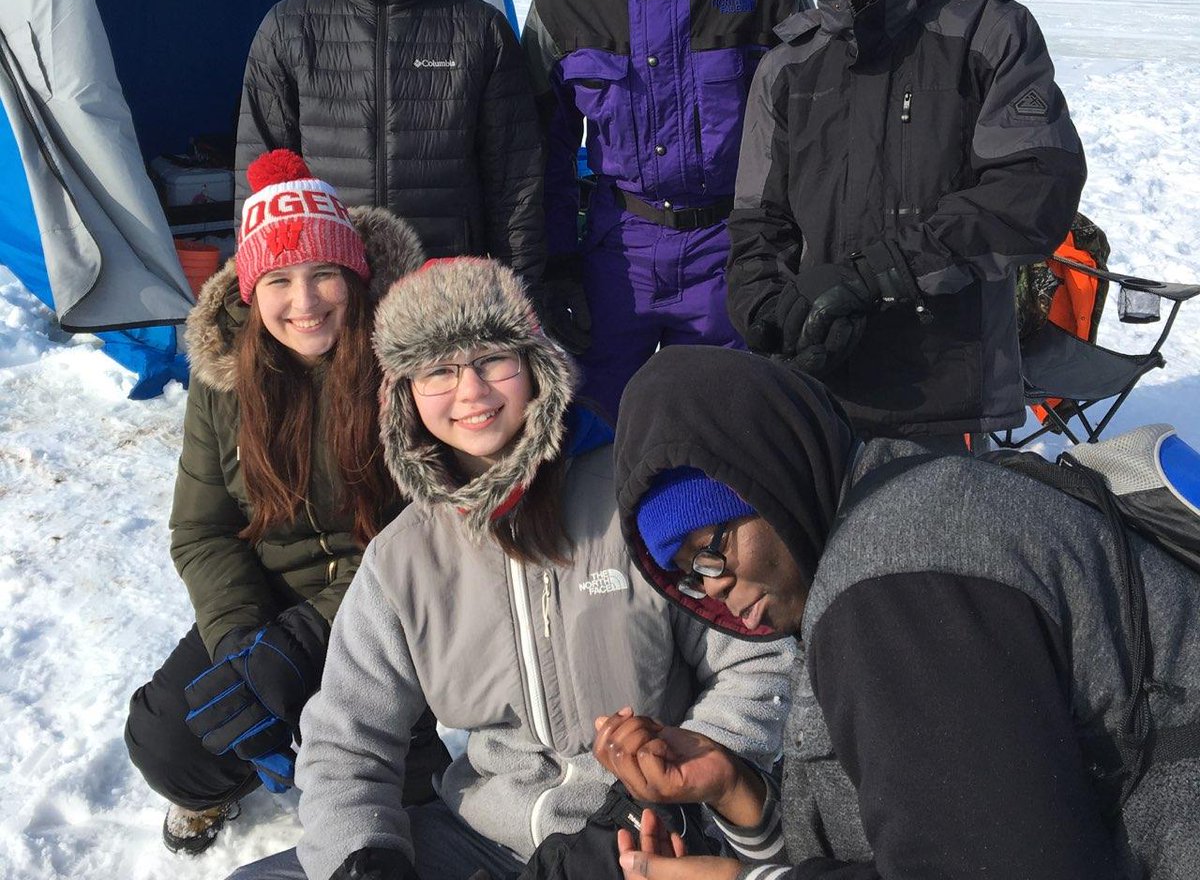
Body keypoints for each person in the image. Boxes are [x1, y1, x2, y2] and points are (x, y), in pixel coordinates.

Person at [231, 258, 793, 880]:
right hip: (482, 839)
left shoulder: (636, 502)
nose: (471, 392)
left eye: (492, 359)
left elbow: (757, 664)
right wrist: (362, 857)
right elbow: (346, 738)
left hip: (645, 835)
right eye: (438, 370)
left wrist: (676, 795)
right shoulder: (403, 558)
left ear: (534, 366)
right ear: (404, 395)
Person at [597, 345, 1200, 879]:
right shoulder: (889, 519)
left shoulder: (898, 584)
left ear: (772, 477)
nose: (714, 587)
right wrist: (737, 793)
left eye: (710, 550)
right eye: (689, 574)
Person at [125, 149, 450, 855]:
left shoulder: (407, 362)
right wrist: (242, 644)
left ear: (354, 275)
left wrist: (310, 639)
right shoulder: (223, 379)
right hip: (267, 600)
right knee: (167, 740)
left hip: (391, 608)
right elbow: (202, 528)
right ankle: (229, 776)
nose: (304, 302)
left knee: (409, 817)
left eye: (323, 272)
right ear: (250, 289)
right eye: (278, 278)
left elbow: (434, 532)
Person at [726, 0, 1086, 443]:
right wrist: (771, 313)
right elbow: (759, 220)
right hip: (818, 385)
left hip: (946, 386)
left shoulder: (986, 32)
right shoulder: (788, 65)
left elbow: (1034, 187)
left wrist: (878, 275)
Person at [524, 0, 810, 419]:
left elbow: (812, 145)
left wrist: (789, 260)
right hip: (614, 257)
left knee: (725, 433)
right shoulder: (564, 2)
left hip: (733, 254)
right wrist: (557, 266)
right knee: (591, 433)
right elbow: (541, 157)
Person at [235, 0, 545, 289]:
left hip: (445, 292)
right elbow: (261, 175)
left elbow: (515, 182)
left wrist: (522, 293)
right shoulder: (289, 26)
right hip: (330, 293)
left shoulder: (479, 29)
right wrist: (263, 286)